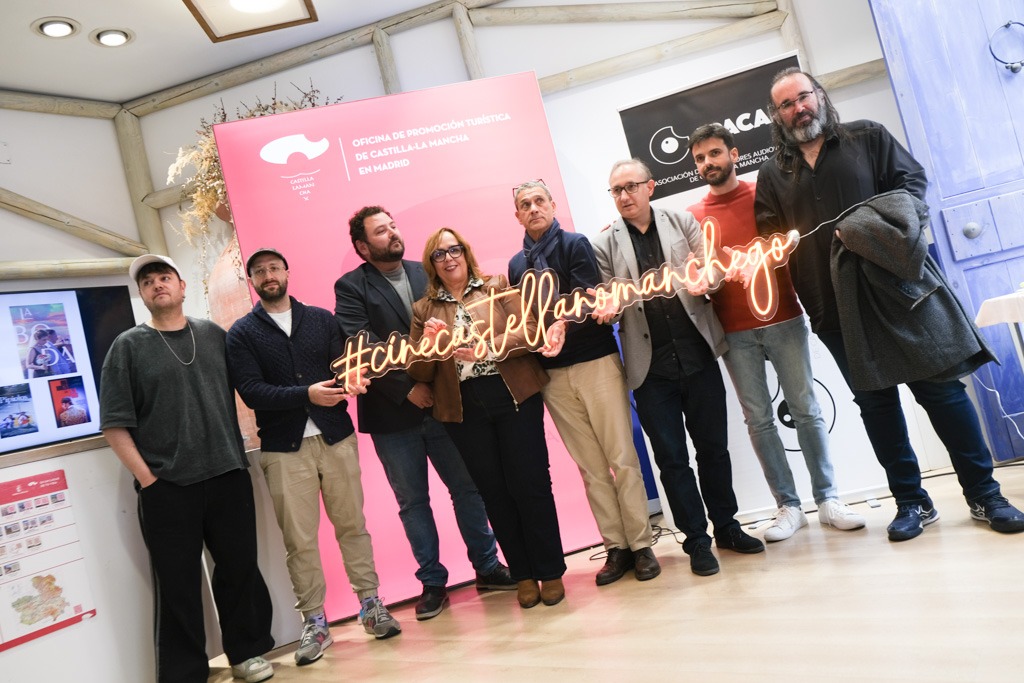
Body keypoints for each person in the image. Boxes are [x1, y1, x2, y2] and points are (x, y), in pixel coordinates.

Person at [754, 67, 1024, 541]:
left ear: (819, 95)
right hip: (832, 306)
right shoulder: (773, 173)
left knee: (941, 393)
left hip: (899, 292)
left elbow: (912, 185)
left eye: (803, 97)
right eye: (787, 104)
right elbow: (770, 239)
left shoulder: (867, 137)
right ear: (776, 116)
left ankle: (986, 494)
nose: (799, 109)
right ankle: (912, 502)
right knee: (876, 406)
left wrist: (875, 229)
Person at [100, 254, 275, 683]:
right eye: (148, 282)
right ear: (141, 295)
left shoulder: (213, 335)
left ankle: (247, 654)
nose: (157, 285)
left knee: (239, 569)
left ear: (181, 286)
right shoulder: (127, 347)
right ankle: (185, 672)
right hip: (167, 486)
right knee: (177, 584)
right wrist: (149, 480)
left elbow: (252, 386)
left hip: (227, 474)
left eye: (164, 277)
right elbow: (114, 424)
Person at [685, 124, 866, 541]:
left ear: (733, 154)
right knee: (759, 420)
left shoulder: (764, 194)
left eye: (714, 153)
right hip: (734, 331)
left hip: (784, 317)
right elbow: (694, 271)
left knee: (806, 409)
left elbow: (793, 247)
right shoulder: (692, 216)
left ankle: (828, 499)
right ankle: (788, 506)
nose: (708, 163)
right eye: (699, 159)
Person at [335, 207, 514, 622]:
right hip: (392, 414)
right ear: (363, 246)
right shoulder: (351, 287)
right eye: (381, 231)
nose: (393, 233)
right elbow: (362, 343)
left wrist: (432, 382)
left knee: (467, 489)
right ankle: (432, 582)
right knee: (413, 502)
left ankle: (487, 567)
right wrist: (406, 388)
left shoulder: (427, 271)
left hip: (445, 402)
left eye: (393, 225)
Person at [226, 247, 400, 667]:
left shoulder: (321, 319)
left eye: (274, 267)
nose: (269, 275)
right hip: (283, 450)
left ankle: (371, 605)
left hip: (336, 438)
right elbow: (251, 391)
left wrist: (353, 379)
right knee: (299, 541)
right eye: (260, 271)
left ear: (287, 272)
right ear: (252, 281)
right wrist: (306, 393)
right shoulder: (242, 333)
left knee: (353, 526)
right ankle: (316, 622)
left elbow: (344, 367)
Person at [590, 159, 764, 577]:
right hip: (650, 370)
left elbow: (711, 269)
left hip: (698, 355)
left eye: (631, 187)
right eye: (616, 190)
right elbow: (608, 302)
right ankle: (696, 541)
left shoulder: (682, 222)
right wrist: (607, 307)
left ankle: (727, 527)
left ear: (650, 187)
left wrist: (708, 279)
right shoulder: (604, 244)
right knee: (672, 460)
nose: (623, 196)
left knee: (714, 450)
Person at [507, 180, 660, 584]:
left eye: (539, 200)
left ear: (553, 204)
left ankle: (641, 544)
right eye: (525, 204)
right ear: (517, 215)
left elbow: (588, 297)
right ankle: (616, 547)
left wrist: (558, 324)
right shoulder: (516, 265)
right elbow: (525, 319)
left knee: (621, 458)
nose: (533, 208)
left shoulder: (575, 245)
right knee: (590, 468)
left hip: (596, 362)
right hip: (553, 376)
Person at [409, 227, 568, 609]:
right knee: (494, 493)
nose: (449, 258)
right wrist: (429, 347)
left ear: (466, 253)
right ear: (431, 264)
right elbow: (417, 371)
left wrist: (488, 347)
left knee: (531, 484)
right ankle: (523, 574)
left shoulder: (496, 286)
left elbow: (531, 332)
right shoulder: (422, 310)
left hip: (513, 395)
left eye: (454, 250)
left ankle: (550, 571)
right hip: (463, 409)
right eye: (439, 254)